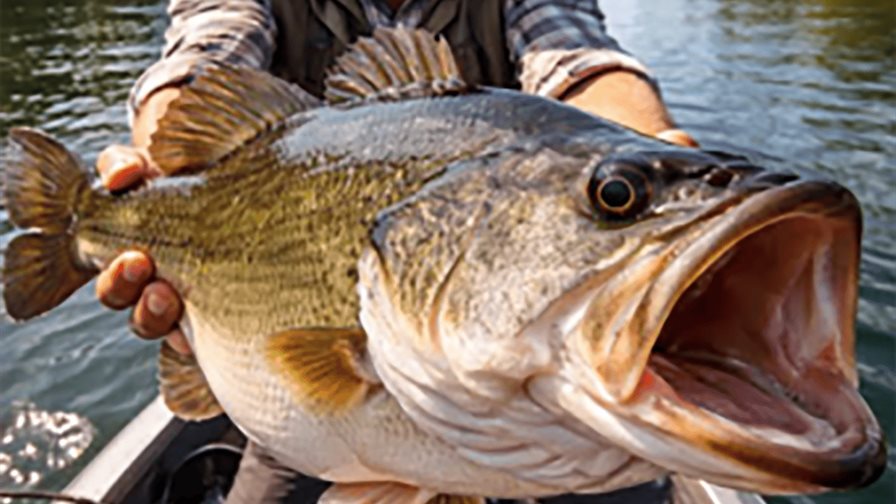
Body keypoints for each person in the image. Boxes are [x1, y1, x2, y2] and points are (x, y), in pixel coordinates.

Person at [94, 1, 697, 501]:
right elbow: (210, 50)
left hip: (529, 372)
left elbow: (578, 58)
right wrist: (154, 178)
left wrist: (647, 159)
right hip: (301, 409)